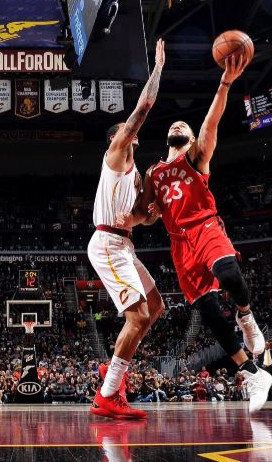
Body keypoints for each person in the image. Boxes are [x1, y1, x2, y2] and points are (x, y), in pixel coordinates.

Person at [118, 53, 272, 413]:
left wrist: (224, 84)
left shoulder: (196, 157)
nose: (178, 124)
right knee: (208, 312)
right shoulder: (154, 172)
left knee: (228, 274)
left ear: (189, 139)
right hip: (179, 243)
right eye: (175, 123)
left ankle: (246, 316)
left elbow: (211, 124)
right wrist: (137, 217)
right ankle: (252, 374)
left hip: (205, 226)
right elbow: (143, 215)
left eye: (184, 125)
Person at [88, 39, 166, 421]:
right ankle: (108, 394)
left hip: (124, 243)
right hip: (107, 243)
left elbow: (138, 218)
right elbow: (142, 108)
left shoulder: (135, 176)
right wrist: (158, 68)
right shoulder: (115, 155)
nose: (132, 130)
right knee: (136, 318)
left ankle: (113, 370)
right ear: (117, 138)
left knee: (155, 308)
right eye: (126, 129)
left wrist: (150, 214)